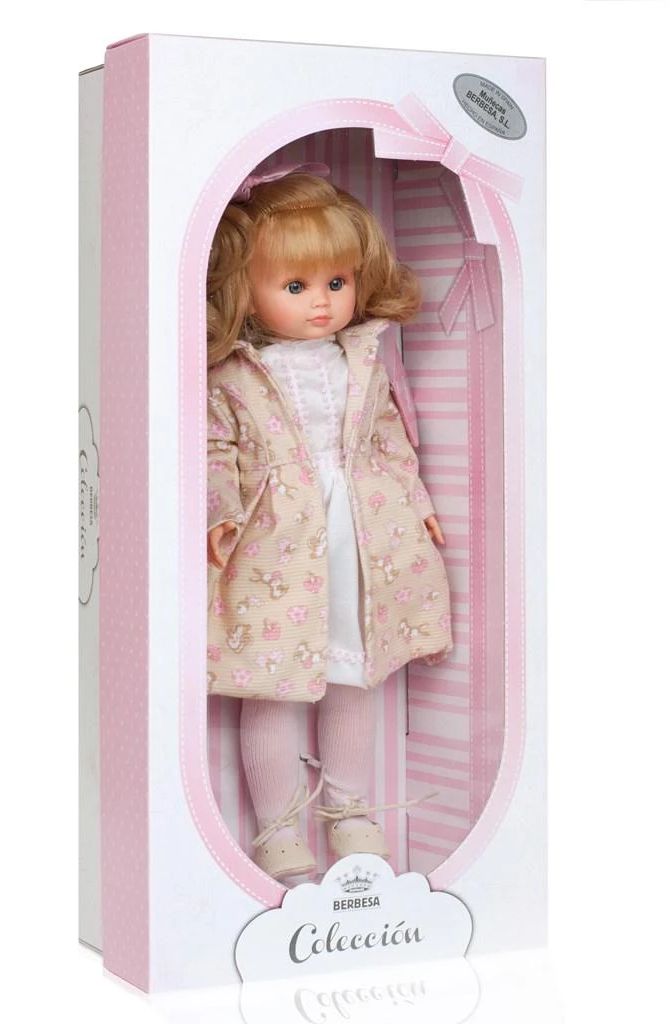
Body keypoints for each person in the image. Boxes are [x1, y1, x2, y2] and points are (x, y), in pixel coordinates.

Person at [206, 164, 452, 879]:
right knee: (274, 681)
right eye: (296, 286)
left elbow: (388, 440)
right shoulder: (235, 373)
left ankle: (350, 808)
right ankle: (276, 827)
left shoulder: (363, 360)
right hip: (276, 544)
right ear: (244, 290)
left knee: (353, 671)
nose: (322, 302)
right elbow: (215, 450)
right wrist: (219, 513)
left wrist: (418, 504)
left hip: (362, 533)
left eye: (336, 282)